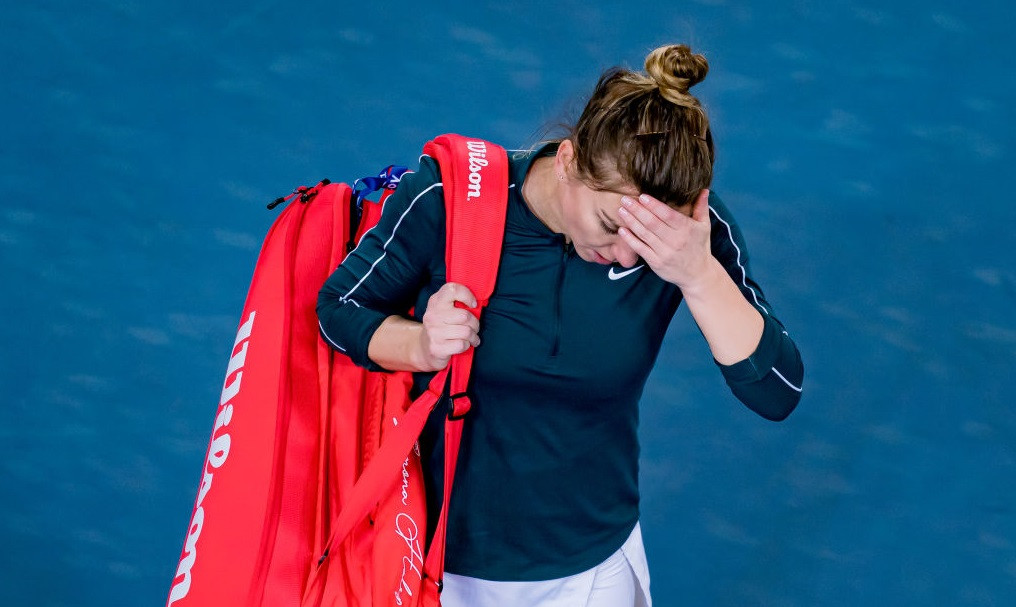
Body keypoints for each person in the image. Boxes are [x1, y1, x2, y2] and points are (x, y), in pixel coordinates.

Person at [317, 44, 803, 607]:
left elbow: (778, 392)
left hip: (594, 576)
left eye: (645, 239)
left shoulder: (687, 235)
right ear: (569, 160)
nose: (627, 256)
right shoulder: (450, 198)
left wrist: (697, 273)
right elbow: (339, 310)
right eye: (610, 225)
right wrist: (421, 344)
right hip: (437, 570)